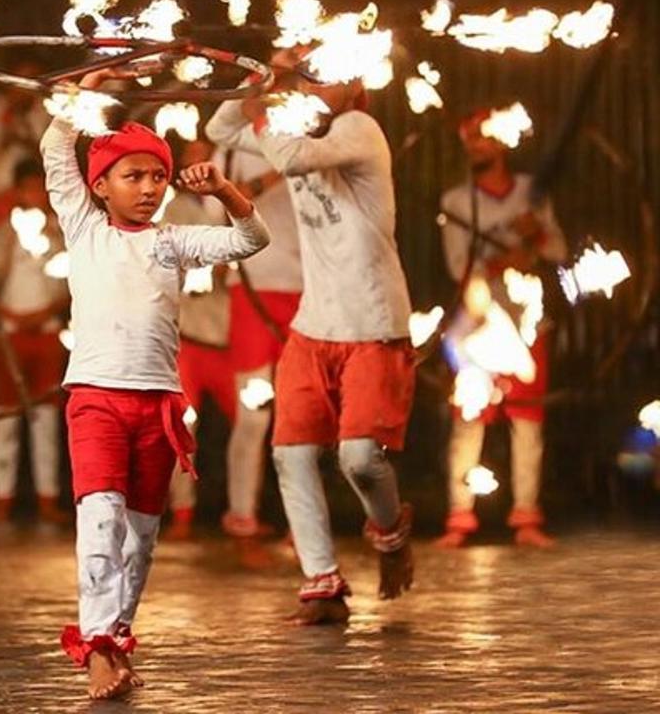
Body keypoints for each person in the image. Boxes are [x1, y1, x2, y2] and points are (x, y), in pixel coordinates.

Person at [47, 69, 269, 699]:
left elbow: (254, 238)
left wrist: (224, 188)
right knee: (100, 519)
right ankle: (94, 649)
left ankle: (117, 640)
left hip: (160, 407)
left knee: (141, 540)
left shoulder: (174, 243)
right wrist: (88, 93)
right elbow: (54, 148)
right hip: (95, 399)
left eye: (155, 177)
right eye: (131, 176)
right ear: (99, 186)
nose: (147, 188)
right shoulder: (84, 229)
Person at [207, 55, 416, 626]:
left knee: (361, 461)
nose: (318, 84)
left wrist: (263, 106)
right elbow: (217, 130)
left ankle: (391, 536)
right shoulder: (284, 124)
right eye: (310, 74)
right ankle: (321, 583)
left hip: (373, 323)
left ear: (355, 84)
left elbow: (291, 155)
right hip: (313, 324)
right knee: (289, 453)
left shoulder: (358, 129)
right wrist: (261, 81)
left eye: (330, 74)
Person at [436, 109, 567, 549]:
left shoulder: (532, 193)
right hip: (478, 326)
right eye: (468, 139)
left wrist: (536, 236)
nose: (474, 146)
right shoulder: (456, 201)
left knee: (527, 418)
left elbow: (558, 249)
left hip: (528, 324)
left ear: (500, 143)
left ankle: (526, 517)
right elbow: (459, 267)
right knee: (469, 418)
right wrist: (503, 259)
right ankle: (459, 516)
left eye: (481, 138)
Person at [218, 147, 303, 558]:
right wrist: (273, 174)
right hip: (250, 289)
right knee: (253, 414)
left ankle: (301, 521)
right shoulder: (230, 145)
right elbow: (220, 210)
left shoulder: (307, 133)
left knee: (301, 411)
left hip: (304, 288)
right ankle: (242, 515)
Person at [0, 158, 70, 523]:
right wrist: (8, 315)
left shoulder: (61, 235)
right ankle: (1, 500)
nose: (35, 195)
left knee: (45, 419)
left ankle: (47, 500)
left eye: (41, 189)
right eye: (29, 188)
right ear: (17, 192)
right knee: (4, 420)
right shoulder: (1, 236)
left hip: (47, 334)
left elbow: (73, 285)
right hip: (9, 335)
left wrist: (45, 311)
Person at [160, 138, 237, 541]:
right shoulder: (174, 211)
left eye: (204, 158)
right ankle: (183, 513)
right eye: (190, 161)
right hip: (190, 339)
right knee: (181, 428)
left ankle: (247, 511)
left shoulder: (235, 204)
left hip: (232, 340)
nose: (197, 168)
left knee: (251, 426)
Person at [0, 59, 50, 232]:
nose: (26, 87)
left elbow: (47, 152)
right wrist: (9, 115)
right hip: (0, 190)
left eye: (32, 80)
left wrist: (24, 135)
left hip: (34, 193)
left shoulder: (44, 108)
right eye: (22, 79)